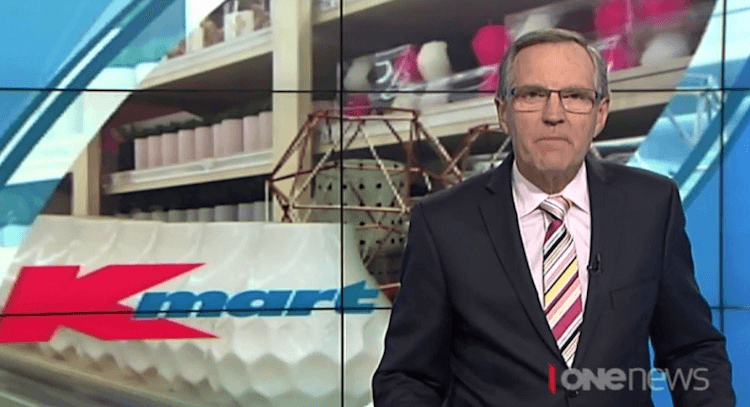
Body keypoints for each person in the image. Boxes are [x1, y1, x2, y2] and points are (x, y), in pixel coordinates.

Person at [371, 28, 735, 406]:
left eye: (575, 96)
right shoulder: (442, 223)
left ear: (600, 113)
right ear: (503, 112)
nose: (554, 115)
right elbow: (408, 376)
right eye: (532, 95)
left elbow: (691, 350)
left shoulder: (652, 206)